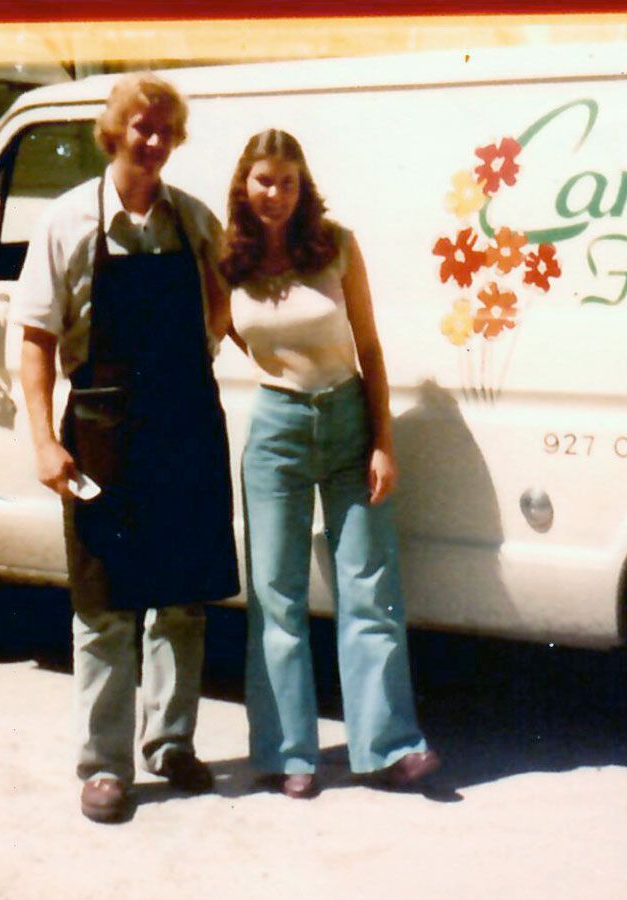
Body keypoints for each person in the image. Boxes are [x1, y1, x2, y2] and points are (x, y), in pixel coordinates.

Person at [13, 72, 240, 824]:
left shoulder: (191, 220)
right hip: (102, 430)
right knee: (105, 605)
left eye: (165, 132)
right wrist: (45, 440)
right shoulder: (68, 220)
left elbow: (228, 302)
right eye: (141, 128)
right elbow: (37, 342)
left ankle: (170, 742)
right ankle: (104, 766)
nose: (152, 143)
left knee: (181, 600)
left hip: (184, 424)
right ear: (115, 133)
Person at [220, 129, 438, 800]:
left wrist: (382, 442)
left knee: (369, 586)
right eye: (263, 181)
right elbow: (220, 329)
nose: (275, 194)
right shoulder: (229, 262)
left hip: (346, 420)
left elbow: (368, 348)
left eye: (287, 182)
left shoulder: (335, 246)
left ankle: (390, 747)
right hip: (277, 427)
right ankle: (291, 755)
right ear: (244, 186)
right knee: (275, 594)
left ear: (301, 185)